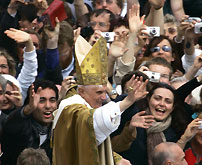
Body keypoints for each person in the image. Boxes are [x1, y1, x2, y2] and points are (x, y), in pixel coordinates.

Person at [52, 37, 148, 165]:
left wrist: (115, 159)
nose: (104, 97)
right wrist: (127, 102)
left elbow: (91, 144)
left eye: (104, 91)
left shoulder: (88, 103)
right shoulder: (70, 107)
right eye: (99, 92)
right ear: (81, 91)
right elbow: (91, 123)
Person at [1, 79, 58, 165]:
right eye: (41, 100)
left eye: (52, 100)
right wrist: (28, 109)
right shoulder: (18, 128)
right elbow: (10, 126)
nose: (48, 106)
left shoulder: (59, 132)